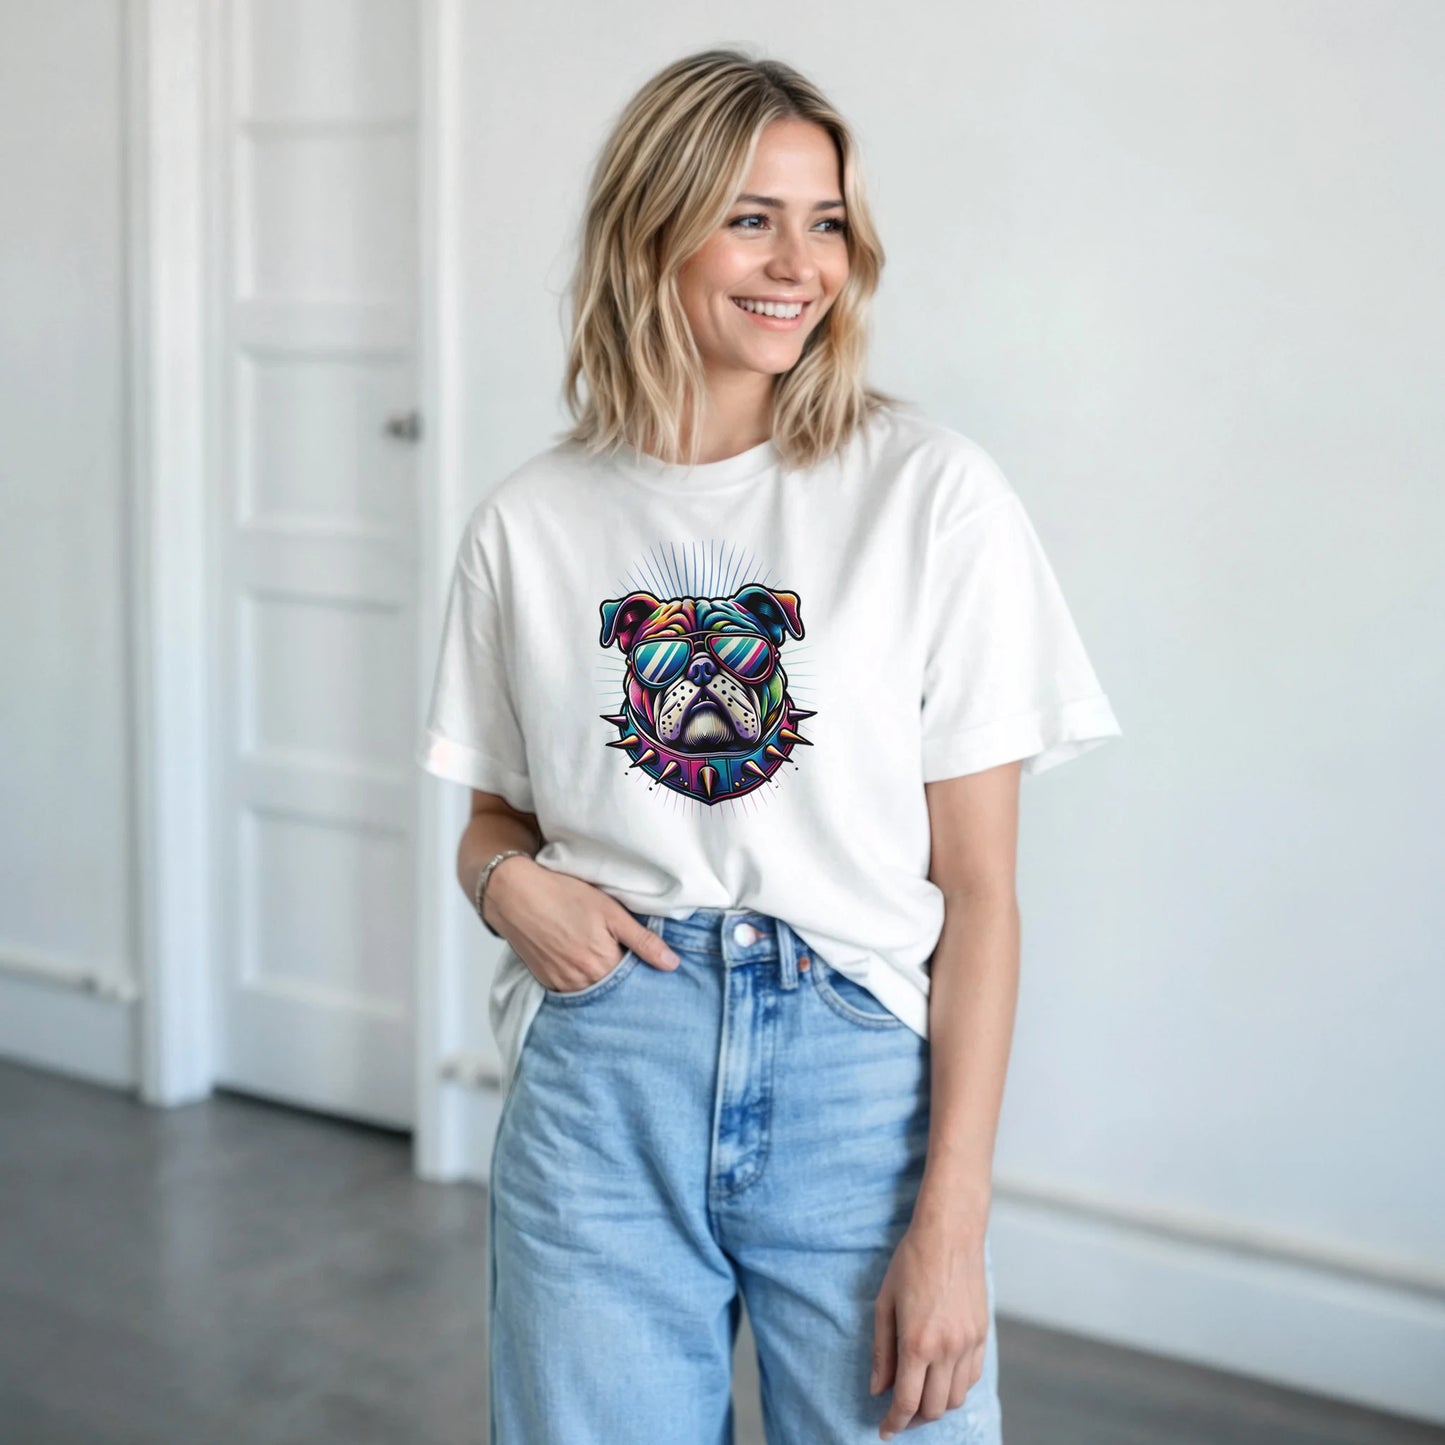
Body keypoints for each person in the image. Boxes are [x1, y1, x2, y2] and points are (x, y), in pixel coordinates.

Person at [416, 47, 1121, 1445]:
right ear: (653, 229)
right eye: (752, 218)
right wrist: (502, 884)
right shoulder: (528, 524)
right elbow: (496, 821)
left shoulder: (930, 496)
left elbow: (980, 894)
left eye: (827, 222)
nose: (800, 264)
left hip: (856, 1078)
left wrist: (954, 1219)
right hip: (606, 1069)